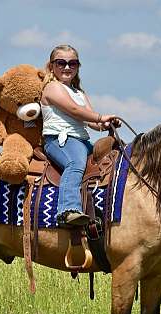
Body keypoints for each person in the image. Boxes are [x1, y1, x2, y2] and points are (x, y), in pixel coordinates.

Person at [40, 44, 119, 227]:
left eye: (72, 63)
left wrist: (105, 124)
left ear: (78, 66)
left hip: (81, 140)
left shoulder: (79, 93)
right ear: (52, 66)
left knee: (110, 162)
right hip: (60, 139)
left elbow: (90, 120)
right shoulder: (52, 87)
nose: (67, 67)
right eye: (61, 63)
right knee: (75, 163)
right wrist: (100, 117)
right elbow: (75, 111)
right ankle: (67, 210)